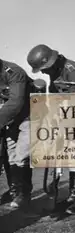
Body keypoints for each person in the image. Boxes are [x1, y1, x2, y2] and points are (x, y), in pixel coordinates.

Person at [27, 44, 75, 214]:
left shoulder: (74, 70)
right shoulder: (54, 73)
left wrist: (63, 128)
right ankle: (73, 195)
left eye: (43, 69)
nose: (42, 73)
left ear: (51, 62)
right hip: (71, 118)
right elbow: (54, 100)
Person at [0, 58, 35, 208]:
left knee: (22, 155)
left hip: (29, 115)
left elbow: (16, 102)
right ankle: (14, 191)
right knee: (11, 156)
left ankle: (24, 194)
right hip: (10, 119)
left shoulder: (14, 72)